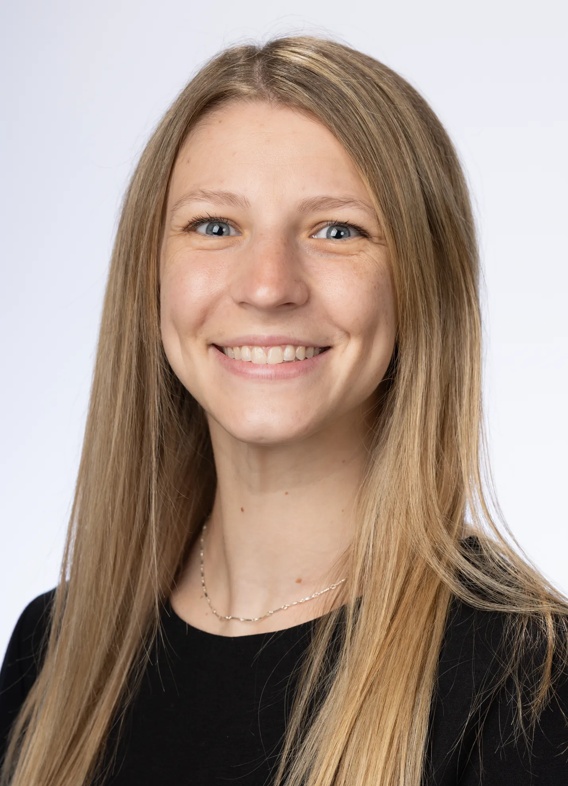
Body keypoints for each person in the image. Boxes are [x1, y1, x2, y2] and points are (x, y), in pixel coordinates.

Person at [1, 35, 567, 786]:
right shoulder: (53, 650)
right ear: (151, 272)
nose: (268, 286)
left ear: (421, 282)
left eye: (336, 231)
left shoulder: (525, 683)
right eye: (215, 226)